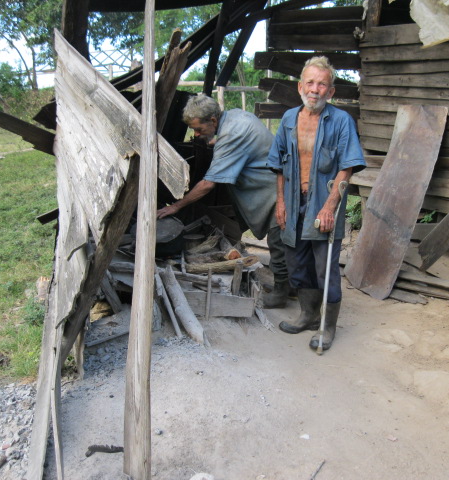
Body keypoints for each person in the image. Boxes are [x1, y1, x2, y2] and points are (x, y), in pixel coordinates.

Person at [267, 56, 366, 351]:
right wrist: (281, 204)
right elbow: (280, 166)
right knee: (298, 263)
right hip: (294, 202)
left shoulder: (341, 121)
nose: (315, 89)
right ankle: (308, 315)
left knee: (325, 268)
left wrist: (329, 207)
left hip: (322, 201)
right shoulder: (287, 120)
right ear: (300, 86)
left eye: (322, 84)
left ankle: (327, 327)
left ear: (331, 92)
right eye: (310, 82)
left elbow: (346, 168)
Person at [156, 94, 290, 308]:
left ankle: (282, 294)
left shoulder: (232, 133)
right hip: (270, 188)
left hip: (276, 191)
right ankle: (290, 287)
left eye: (199, 129)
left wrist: (176, 206)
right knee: (282, 241)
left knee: (279, 242)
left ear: (213, 120)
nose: (197, 135)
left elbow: (209, 184)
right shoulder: (236, 115)